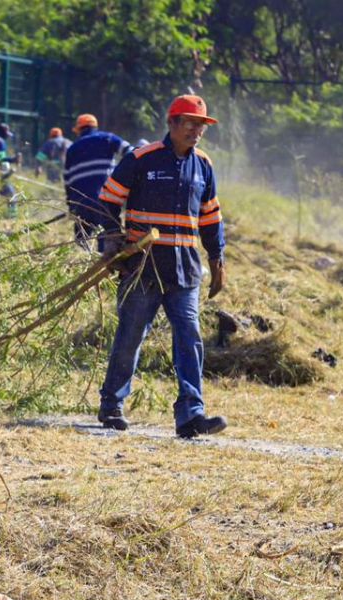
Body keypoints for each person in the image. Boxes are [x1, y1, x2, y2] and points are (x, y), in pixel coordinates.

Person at [92, 95, 227, 439]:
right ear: (172, 123)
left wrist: (217, 258)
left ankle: (191, 414)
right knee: (131, 335)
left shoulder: (203, 166)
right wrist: (111, 240)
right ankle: (112, 404)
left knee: (189, 338)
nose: (197, 131)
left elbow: (210, 216)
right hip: (142, 268)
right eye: (190, 123)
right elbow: (108, 199)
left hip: (184, 270)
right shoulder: (141, 159)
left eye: (201, 125)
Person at [65, 113, 132, 245]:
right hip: (105, 200)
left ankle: (81, 261)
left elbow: (68, 181)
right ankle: (105, 260)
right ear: (95, 127)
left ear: (79, 131)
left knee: (81, 240)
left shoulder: (72, 149)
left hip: (81, 202)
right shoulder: (107, 138)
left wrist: (71, 205)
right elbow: (131, 153)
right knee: (107, 240)